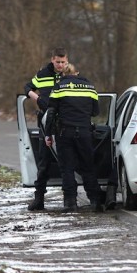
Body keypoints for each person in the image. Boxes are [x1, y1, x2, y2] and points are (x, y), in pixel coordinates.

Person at [44, 63, 104, 213]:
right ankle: (95, 201)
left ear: (63, 74)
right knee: (88, 167)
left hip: (65, 133)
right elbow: (96, 112)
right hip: (84, 132)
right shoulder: (90, 87)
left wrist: (48, 134)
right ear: (77, 73)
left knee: (67, 169)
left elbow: (51, 112)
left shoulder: (59, 87)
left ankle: (71, 203)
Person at [23, 47, 69, 211]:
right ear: (52, 60)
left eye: (63, 62)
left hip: (65, 124)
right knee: (44, 163)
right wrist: (38, 98)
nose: (60, 65)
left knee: (66, 164)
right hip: (46, 123)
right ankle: (39, 199)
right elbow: (27, 87)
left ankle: (68, 200)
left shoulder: (69, 74)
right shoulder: (43, 74)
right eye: (58, 62)